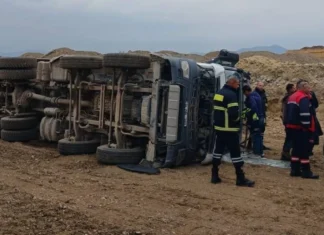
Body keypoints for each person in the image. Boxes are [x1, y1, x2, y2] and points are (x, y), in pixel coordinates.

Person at [212, 74, 255, 187]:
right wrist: (241, 117)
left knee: (218, 151)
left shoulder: (219, 93)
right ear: (231, 82)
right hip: (229, 129)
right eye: (237, 83)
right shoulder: (231, 95)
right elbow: (233, 114)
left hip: (219, 128)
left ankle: (214, 175)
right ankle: (240, 178)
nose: (238, 85)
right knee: (235, 153)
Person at [284, 80, 319, 179]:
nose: (310, 89)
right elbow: (305, 114)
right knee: (304, 150)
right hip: (301, 128)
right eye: (308, 87)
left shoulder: (292, 96)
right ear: (303, 87)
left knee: (296, 149)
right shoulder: (303, 97)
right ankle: (306, 171)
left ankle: (294, 169)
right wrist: (307, 128)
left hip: (292, 127)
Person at [242, 85, 265, 158]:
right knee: (259, 136)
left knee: (256, 136)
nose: (244, 95)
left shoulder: (251, 97)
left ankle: (257, 153)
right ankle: (260, 152)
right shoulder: (256, 95)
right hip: (260, 118)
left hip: (255, 119)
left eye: (244, 93)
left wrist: (246, 113)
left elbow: (253, 108)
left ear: (246, 91)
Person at [280, 83, 296, 161]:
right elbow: (287, 111)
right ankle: (285, 154)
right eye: (293, 88)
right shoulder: (289, 98)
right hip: (288, 121)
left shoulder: (287, 97)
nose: (295, 89)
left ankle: (285, 153)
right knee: (290, 138)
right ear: (290, 89)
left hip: (287, 121)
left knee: (289, 137)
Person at [254, 81, 270, 150]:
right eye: (260, 85)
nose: (261, 87)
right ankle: (256, 145)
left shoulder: (264, 94)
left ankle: (260, 144)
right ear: (257, 85)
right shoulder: (254, 94)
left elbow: (266, 103)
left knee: (262, 129)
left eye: (262, 85)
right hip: (256, 114)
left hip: (263, 114)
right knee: (256, 130)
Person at [309, 89, 323, 157]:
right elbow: (316, 104)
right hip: (310, 117)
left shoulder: (311, 93)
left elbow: (316, 104)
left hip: (311, 117)